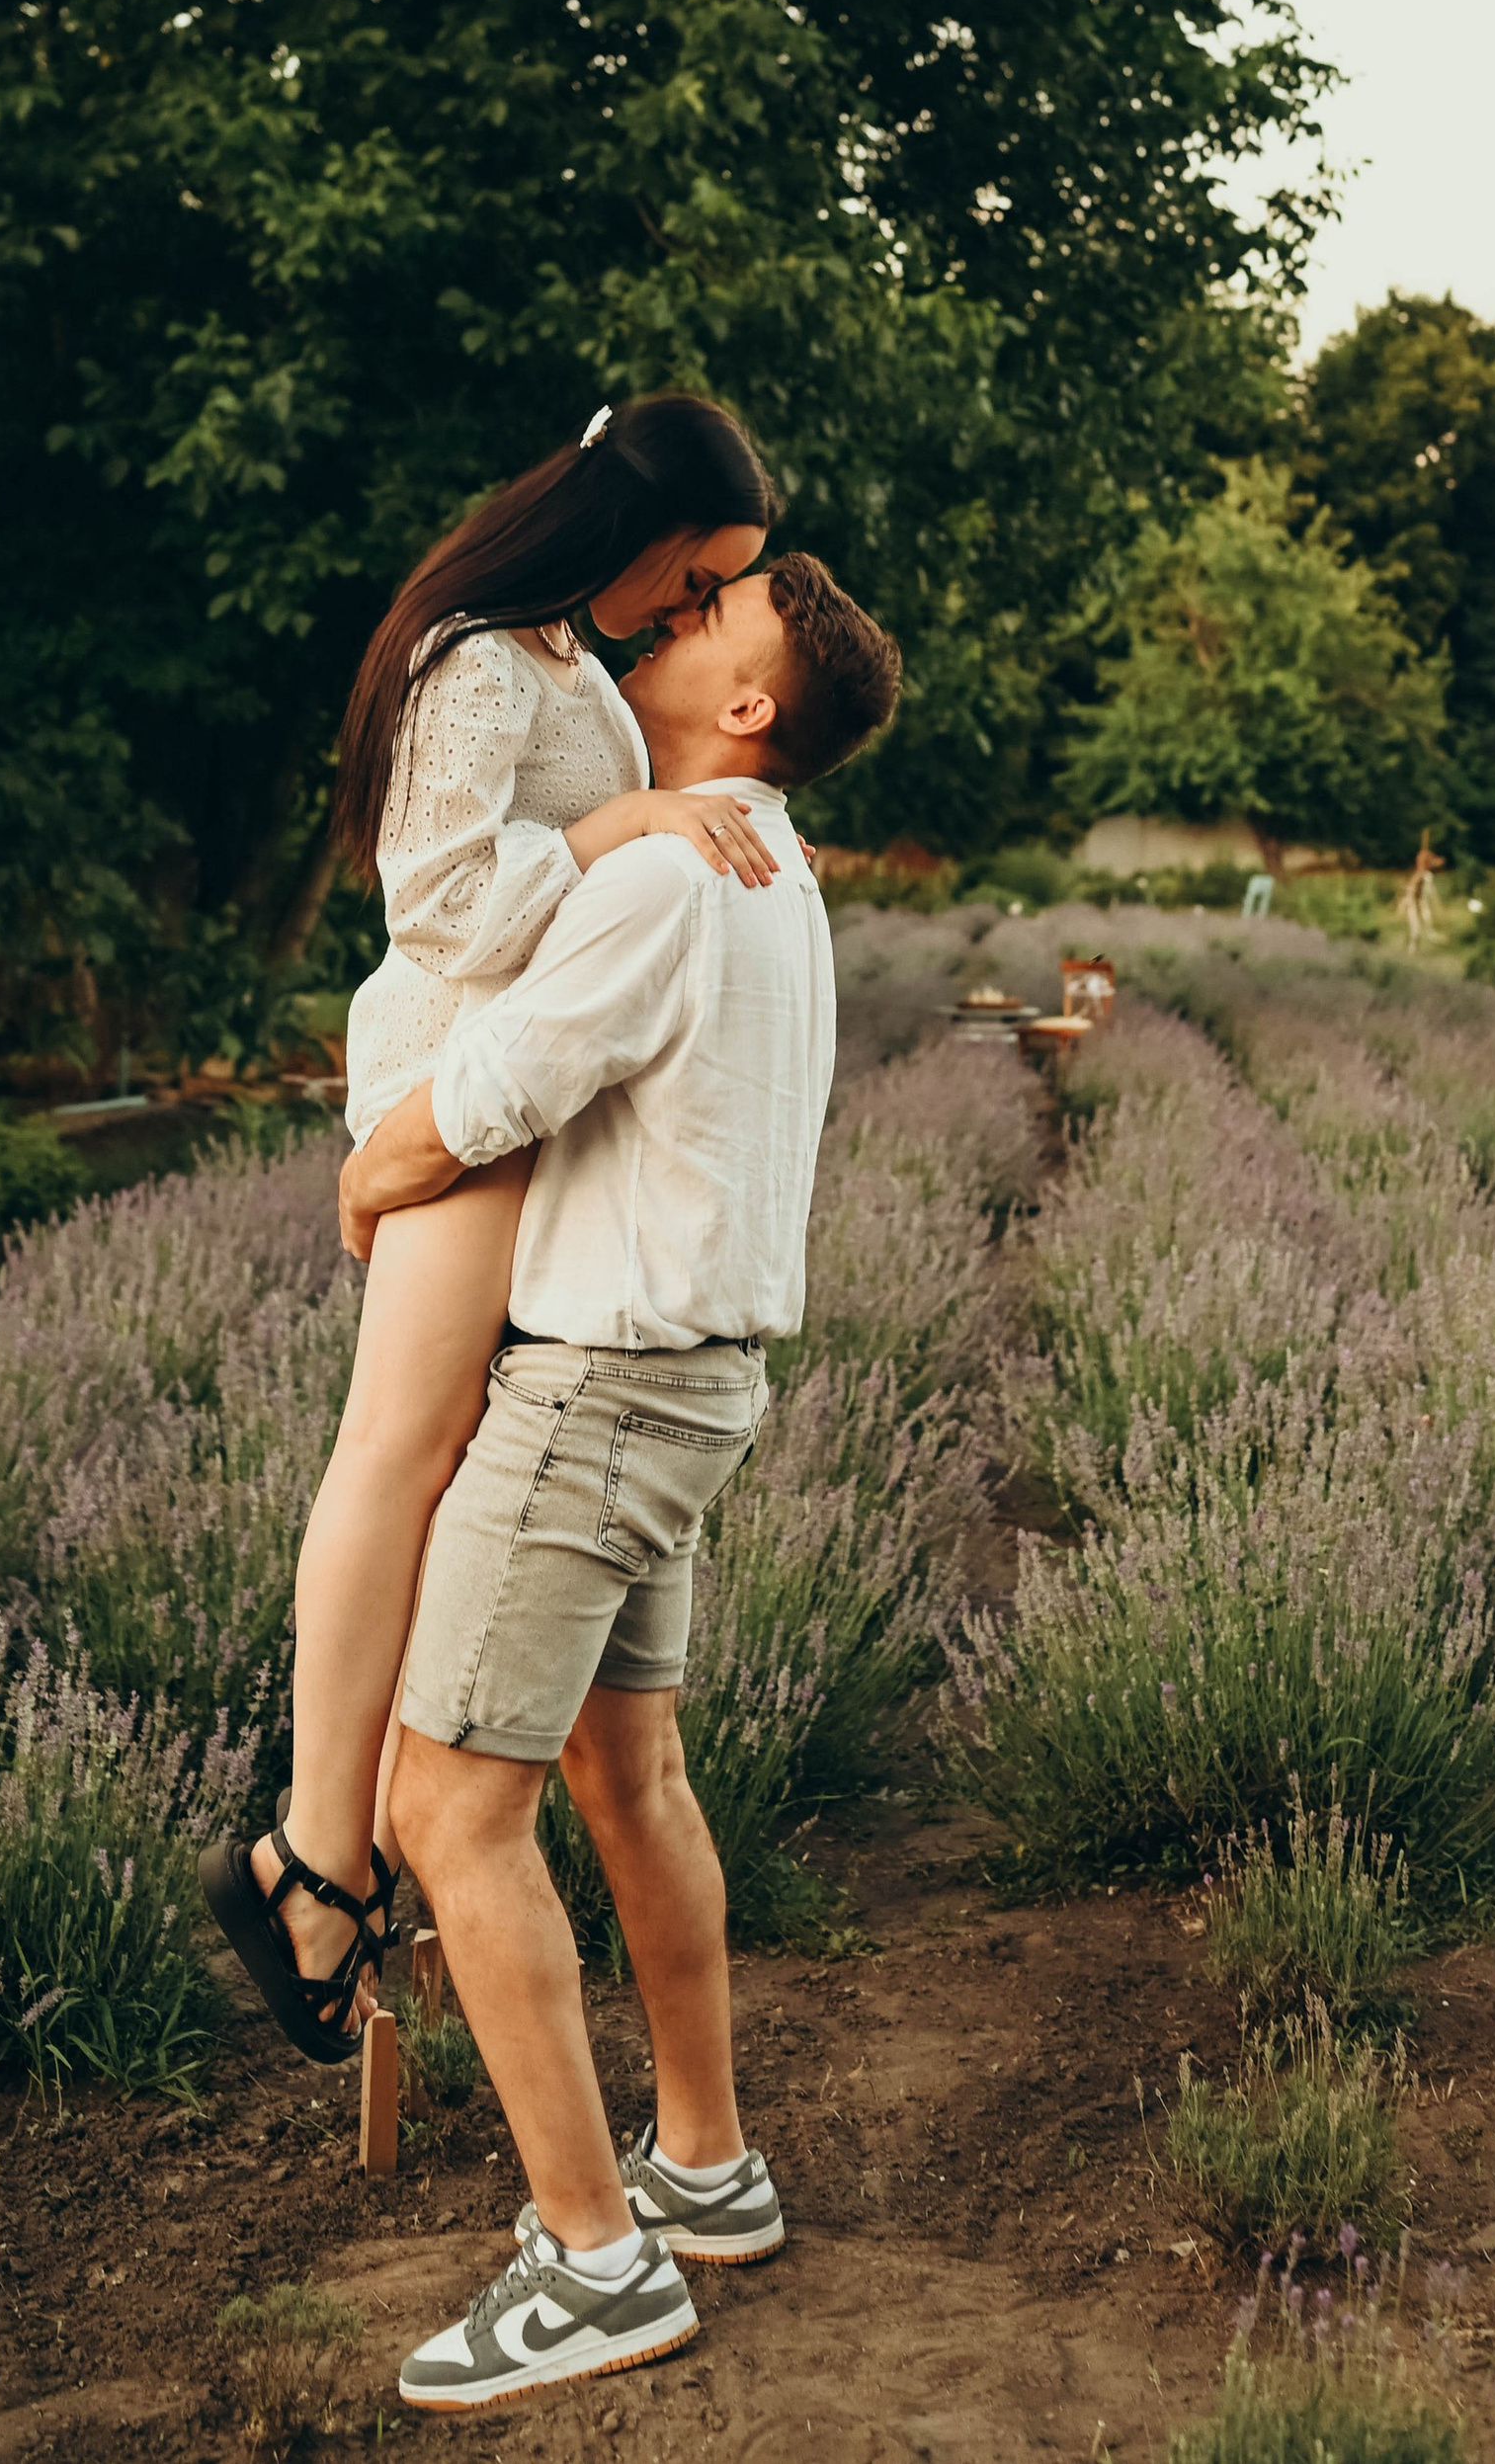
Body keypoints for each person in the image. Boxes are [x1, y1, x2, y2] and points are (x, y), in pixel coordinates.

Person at [335, 551, 900, 2412]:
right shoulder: (769, 871)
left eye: (701, 628)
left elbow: (507, 1075)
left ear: (749, 707)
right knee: (623, 1770)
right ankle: (707, 2168)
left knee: (446, 1809)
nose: (661, 628)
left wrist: (373, 1167)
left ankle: (593, 2259)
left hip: (595, 1396)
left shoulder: (670, 867)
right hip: (692, 1383)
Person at [202, 395, 783, 2061]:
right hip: (455, 1094)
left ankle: (358, 1850)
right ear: (642, 527)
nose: (690, 610)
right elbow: (438, 905)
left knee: (452, 1463)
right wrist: (623, 825)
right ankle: (316, 1858)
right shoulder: (473, 655)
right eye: (699, 575)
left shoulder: (568, 665)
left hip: (523, 1104)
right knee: (395, 1450)